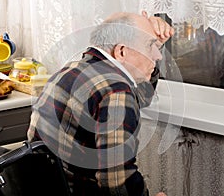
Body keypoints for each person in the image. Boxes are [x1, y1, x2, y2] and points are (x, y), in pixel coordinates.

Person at [27, 11, 174, 196]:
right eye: (150, 46)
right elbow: (117, 183)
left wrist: (154, 43)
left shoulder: (71, 70)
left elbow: (141, 95)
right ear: (121, 51)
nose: (158, 56)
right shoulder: (116, 92)